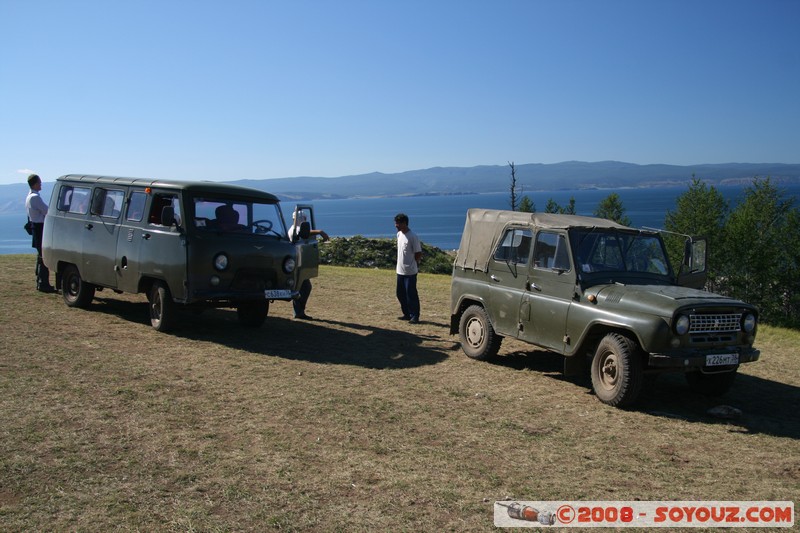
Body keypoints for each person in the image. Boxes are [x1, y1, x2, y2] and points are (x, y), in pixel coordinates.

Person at [288, 210, 329, 320]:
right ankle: (298, 312)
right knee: (303, 287)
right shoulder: (295, 230)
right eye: (304, 219)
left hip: (298, 262)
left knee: (304, 287)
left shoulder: (293, 229)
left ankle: (299, 311)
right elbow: (303, 232)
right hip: (297, 262)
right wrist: (320, 231)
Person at [25, 173, 56, 293]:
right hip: (40, 227)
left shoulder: (29, 196)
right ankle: (44, 283)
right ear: (35, 183)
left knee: (40, 255)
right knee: (44, 256)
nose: (41, 184)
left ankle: (40, 281)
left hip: (35, 227)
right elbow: (46, 211)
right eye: (39, 182)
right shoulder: (35, 197)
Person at [394, 213, 422, 324]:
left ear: (404, 223)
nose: (396, 225)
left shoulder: (413, 236)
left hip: (410, 272)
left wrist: (413, 264)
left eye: (398, 223)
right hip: (400, 271)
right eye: (395, 223)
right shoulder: (399, 235)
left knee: (411, 294)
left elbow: (418, 253)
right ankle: (406, 314)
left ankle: (415, 315)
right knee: (400, 294)